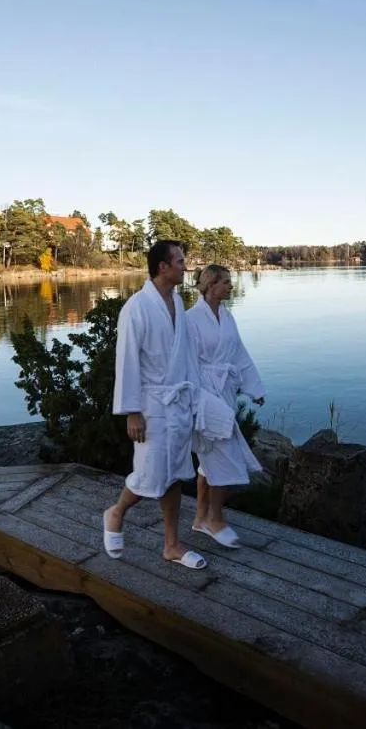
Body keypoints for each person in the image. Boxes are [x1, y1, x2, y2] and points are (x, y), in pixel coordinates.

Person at [101, 239, 208, 570]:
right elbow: (127, 360)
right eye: (179, 261)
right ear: (162, 266)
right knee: (149, 473)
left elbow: (188, 357)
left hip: (177, 403)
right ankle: (116, 512)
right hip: (151, 404)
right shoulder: (137, 307)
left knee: (176, 473)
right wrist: (132, 411)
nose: (184, 266)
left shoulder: (177, 303)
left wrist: (196, 399)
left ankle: (172, 545)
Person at [185, 264, 266, 549]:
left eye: (230, 282)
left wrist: (253, 388)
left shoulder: (228, 317)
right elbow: (185, 363)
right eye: (226, 282)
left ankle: (199, 518)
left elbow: (239, 353)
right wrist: (195, 400)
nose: (231, 286)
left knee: (208, 461)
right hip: (205, 396)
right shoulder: (190, 320)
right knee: (224, 455)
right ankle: (215, 518)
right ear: (210, 284)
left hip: (226, 392)